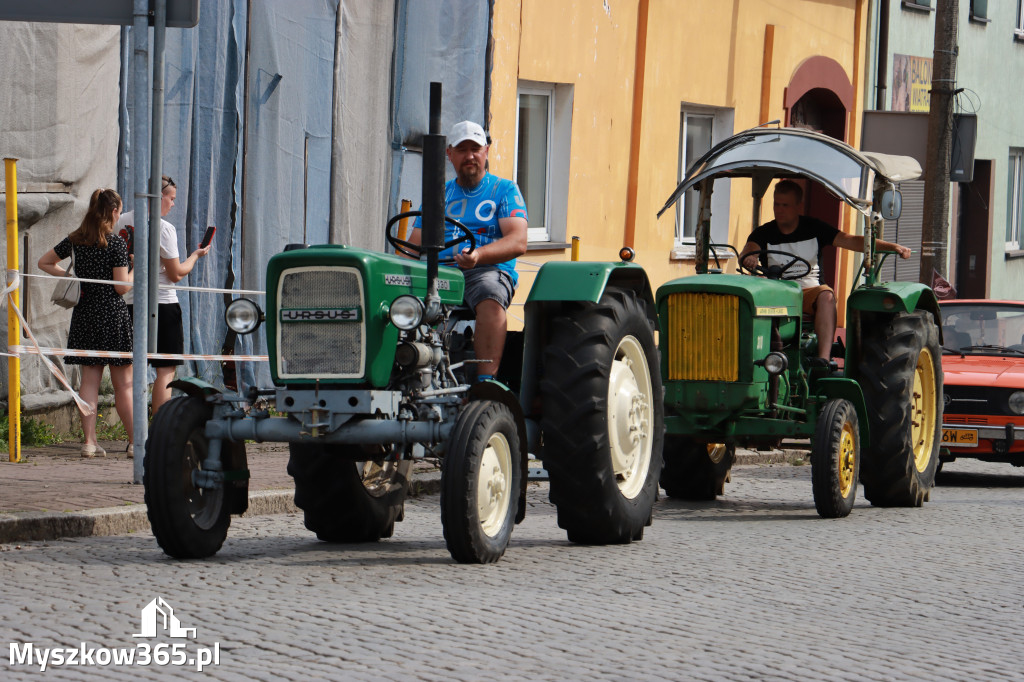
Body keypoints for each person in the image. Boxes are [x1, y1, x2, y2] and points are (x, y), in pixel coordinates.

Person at [739, 179, 912, 363]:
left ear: (798, 206)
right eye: (776, 204)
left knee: (827, 295)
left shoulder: (813, 228)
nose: (779, 209)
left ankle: (822, 358)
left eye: (785, 205)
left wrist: (893, 247)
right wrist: (751, 257)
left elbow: (851, 240)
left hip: (810, 292)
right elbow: (750, 249)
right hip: (778, 292)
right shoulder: (764, 232)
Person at [407, 121, 528, 381]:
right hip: (439, 273)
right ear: (449, 154)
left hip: (484, 271)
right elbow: (412, 246)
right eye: (462, 150)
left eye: (475, 148)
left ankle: (486, 381)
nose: (470, 156)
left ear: (486, 151)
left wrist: (479, 255)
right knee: (390, 297)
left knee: (490, 293)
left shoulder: (504, 190)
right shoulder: (439, 194)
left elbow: (518, 241)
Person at [38, 189, 134, 458]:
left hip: (85, 315)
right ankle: (135, 442)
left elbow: (44, 262)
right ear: (114, 212)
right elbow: (122, 288)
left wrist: (74, 280)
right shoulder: (115, 244)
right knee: (123, 385)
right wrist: (134, 268)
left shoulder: (76, 240)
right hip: (113, 317)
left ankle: (89, 442)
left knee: (88, 383)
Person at [115, 175, 212, 416]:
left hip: (129, 302)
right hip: (163, 304)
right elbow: (176, 273)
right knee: (165, 370)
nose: (173, 204)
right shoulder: (164, 228)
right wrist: (195, 256)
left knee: (131, 372)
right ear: (158, 197)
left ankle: (133, 438)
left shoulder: (121, 221)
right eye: (171, 198)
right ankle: (158, 430)